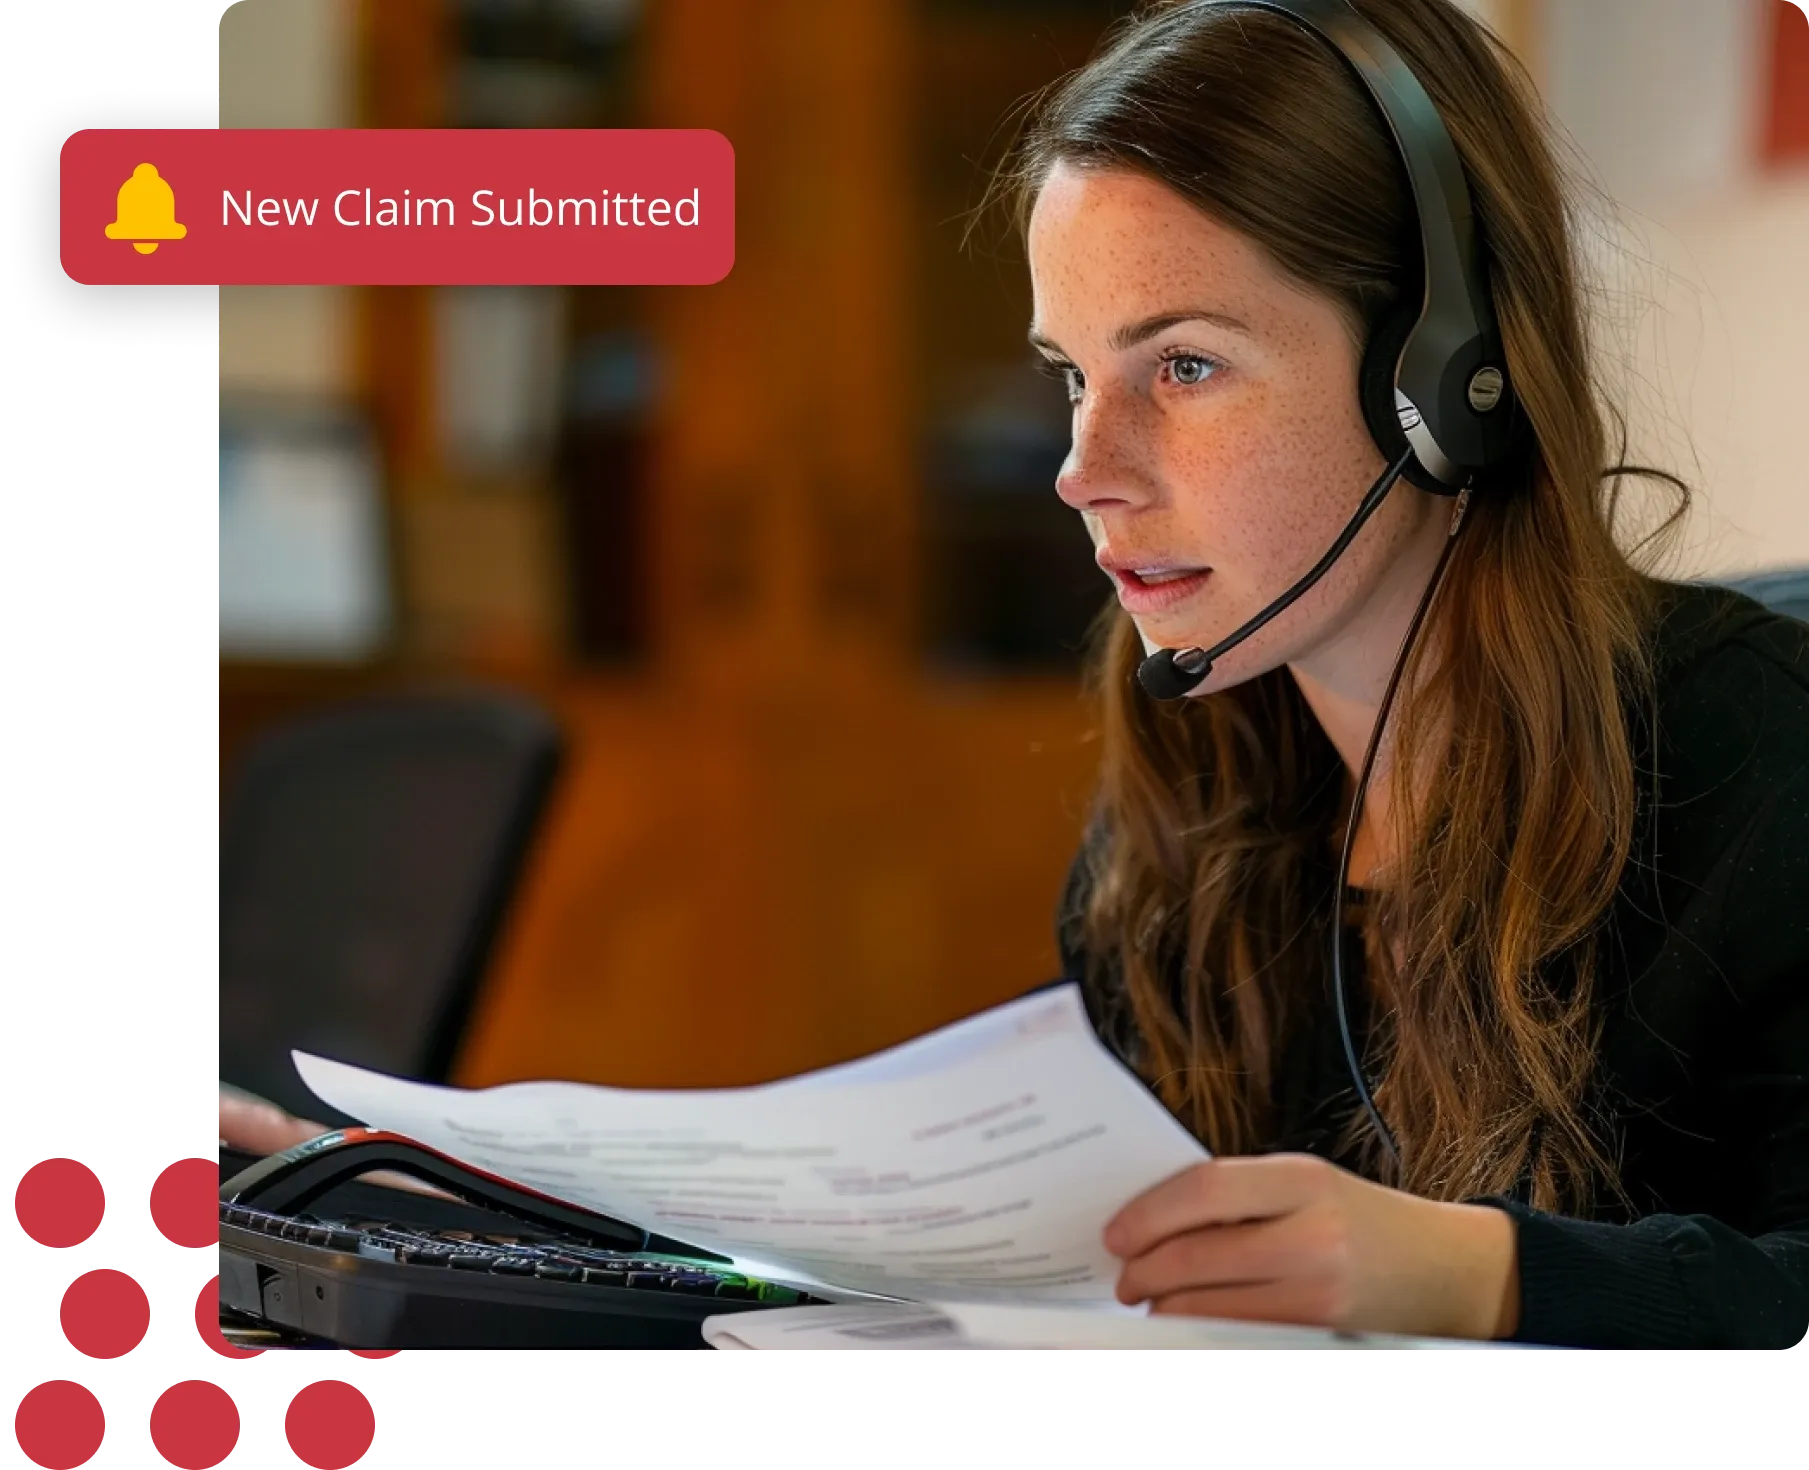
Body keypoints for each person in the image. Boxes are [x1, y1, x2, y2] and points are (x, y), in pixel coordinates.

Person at [971, 0, 1806, 1349]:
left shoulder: (1764, 768)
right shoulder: (1186, 798)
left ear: (1444, 374)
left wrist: (1485, 1274)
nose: (1084, 467)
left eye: (1183, 365)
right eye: (1073, 375)